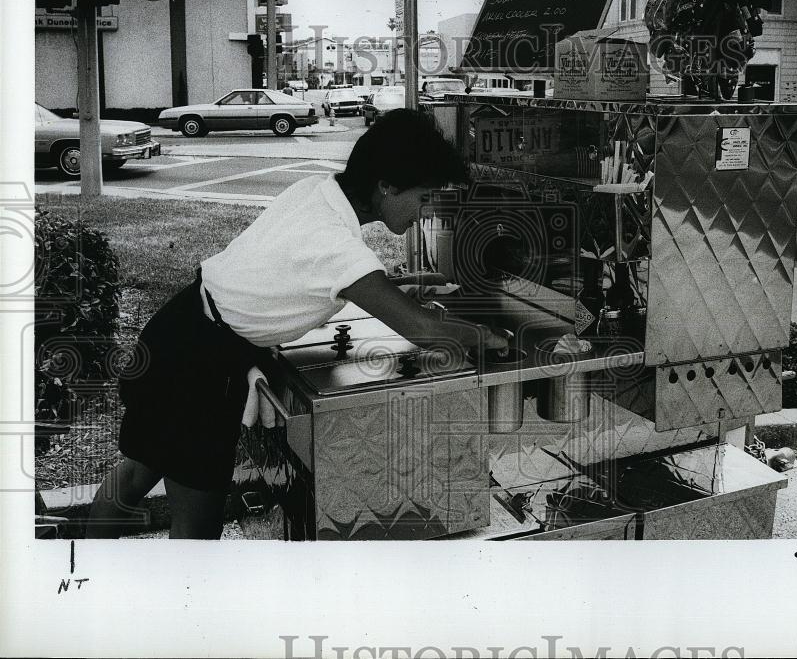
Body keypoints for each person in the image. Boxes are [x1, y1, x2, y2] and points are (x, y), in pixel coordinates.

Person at [87, 109, 508, 539]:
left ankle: (82, 567)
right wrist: (493, 337)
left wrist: (403, 284)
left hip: (180, 329)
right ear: (386, 185)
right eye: (423, 198)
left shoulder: (318, 191)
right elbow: (423, 332)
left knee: (138, 474)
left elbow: (313, 274)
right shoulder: (337, 246)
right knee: (197, 528)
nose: (426, 211)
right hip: (196, 368)